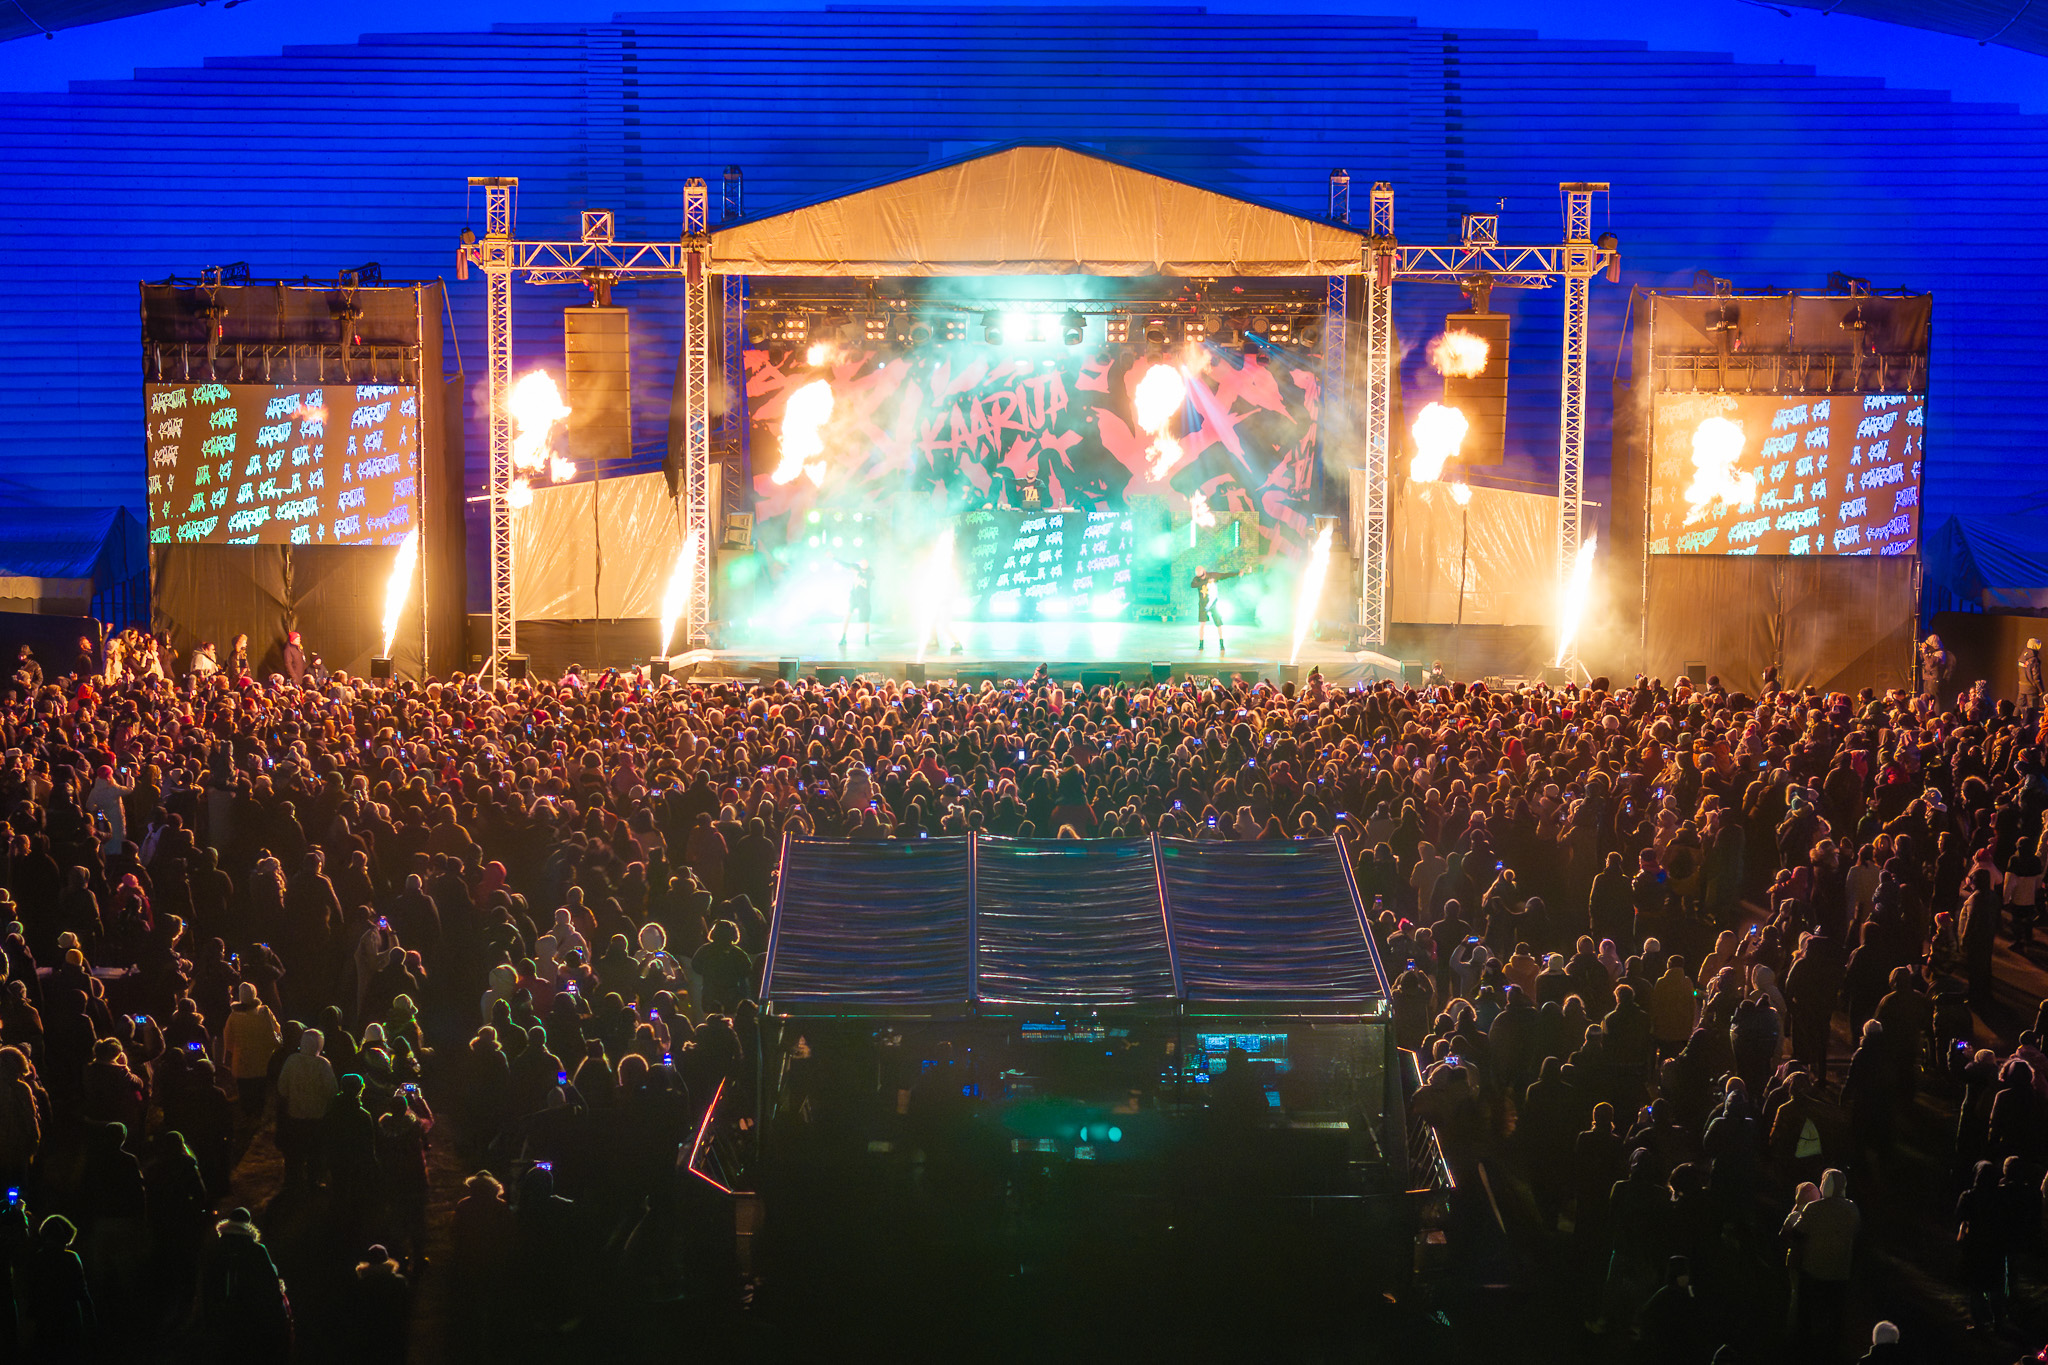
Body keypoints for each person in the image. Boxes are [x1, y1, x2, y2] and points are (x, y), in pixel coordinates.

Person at [1783, 1168, 1859, 1345]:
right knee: (1834, 1314)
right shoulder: (1852, 1208)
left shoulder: (1814, 1208)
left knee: (1806, 1311)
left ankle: (1802, 1344)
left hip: (1813, 1270)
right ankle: (1832, 1344)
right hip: (1840, 1272)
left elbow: (1797, 1234)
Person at [1189, 564, 1242, 653]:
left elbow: (1225, 575)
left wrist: (1237, 573)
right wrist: (1206, 582)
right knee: (1202, 625)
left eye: (1202, 576)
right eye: (1199, 576)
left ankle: (1221, 644)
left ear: (1204, 572)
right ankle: (1201, 644)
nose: (1201, 578)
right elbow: (1192, 585)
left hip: (1213, 604)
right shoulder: (1197, 579)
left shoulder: (1213, 575)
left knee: (1219, 624)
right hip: (1203, 605)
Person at [838, 559, 872, 649]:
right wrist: (834, 558)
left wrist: (860, 571)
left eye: (864, 562)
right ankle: (843, 637)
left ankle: (867, 638)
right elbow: (846, 565)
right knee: (848, 615)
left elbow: (869, 578)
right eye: (862, 562)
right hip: (855, 597)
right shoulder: (857, 569)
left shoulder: (870, 572)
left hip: (864, 599)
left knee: (866, 620)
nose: (862, 563)